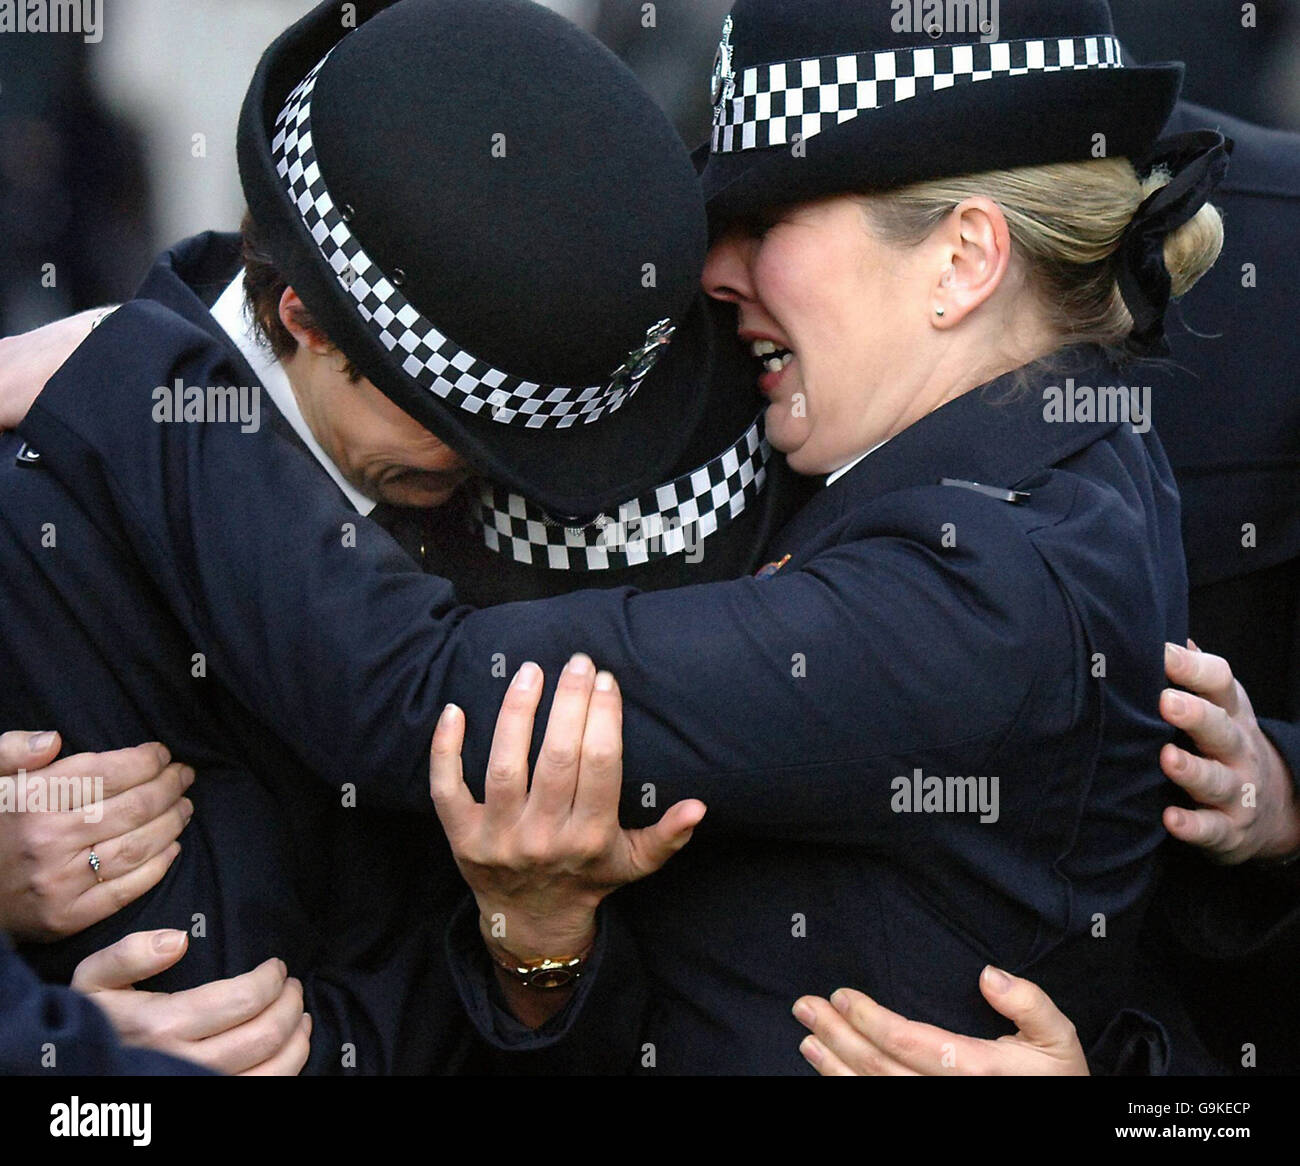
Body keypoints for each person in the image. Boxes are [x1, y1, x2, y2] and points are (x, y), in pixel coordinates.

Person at [4, 0, 1234, 1077]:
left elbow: (428, 700)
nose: (718, 268)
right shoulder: (1039, 449)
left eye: (771, 216)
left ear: (962, 258)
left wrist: (162, 377)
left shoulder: (987, 591)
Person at [0, 0, 741, 1074]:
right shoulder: (37, 520)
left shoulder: (547, 520)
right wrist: (62, 1050)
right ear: (299, 314)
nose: (487, 478)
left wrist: (538, 952)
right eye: (453, 433)